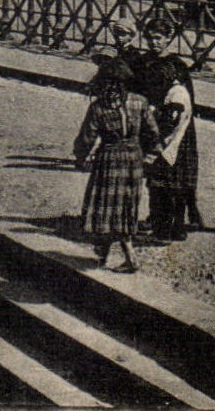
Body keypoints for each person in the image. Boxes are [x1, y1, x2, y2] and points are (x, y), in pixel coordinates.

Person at [73, 50, 161, 272]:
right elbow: (152, 132)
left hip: (109, 158)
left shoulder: (99, 107)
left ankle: (126, 258)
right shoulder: (139, 102)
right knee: (125, 206)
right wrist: (148, 153)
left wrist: (81, 158)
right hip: (133, 158)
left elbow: (87, 138)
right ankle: (106, 254)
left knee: (105, 205)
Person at [145, 44, 199, 240]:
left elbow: (170, 122)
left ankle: (167, 230)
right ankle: (172, 227)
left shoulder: (176, 95)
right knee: (172, 186)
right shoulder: (176, 90)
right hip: (175, 141)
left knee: (167, 187)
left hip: (172, 143)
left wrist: (154, 113)